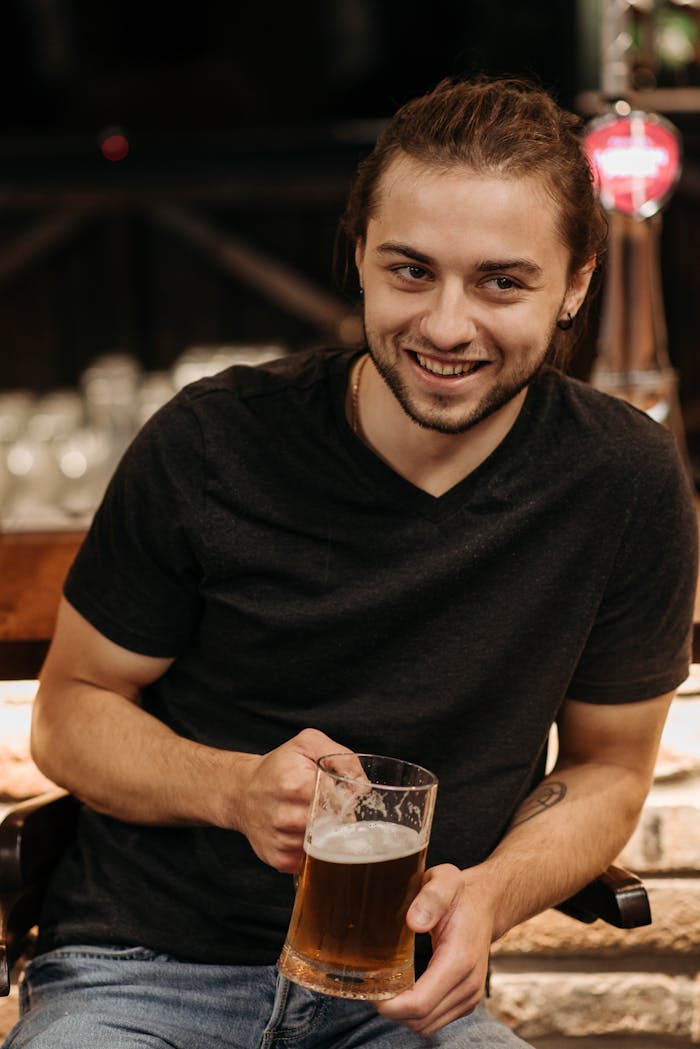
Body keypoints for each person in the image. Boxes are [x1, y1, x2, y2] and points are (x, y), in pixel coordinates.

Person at [4, 77, 697, 1049]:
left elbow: (609, 764)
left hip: (398, 998)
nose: (446, 326)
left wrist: (490, 894)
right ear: (359, 255)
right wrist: (234, 788)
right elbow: (71, 713)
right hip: (144, 970)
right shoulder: (211, 440)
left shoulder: (620, 477)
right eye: (410, 271)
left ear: (576, 282)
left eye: (501, 281)